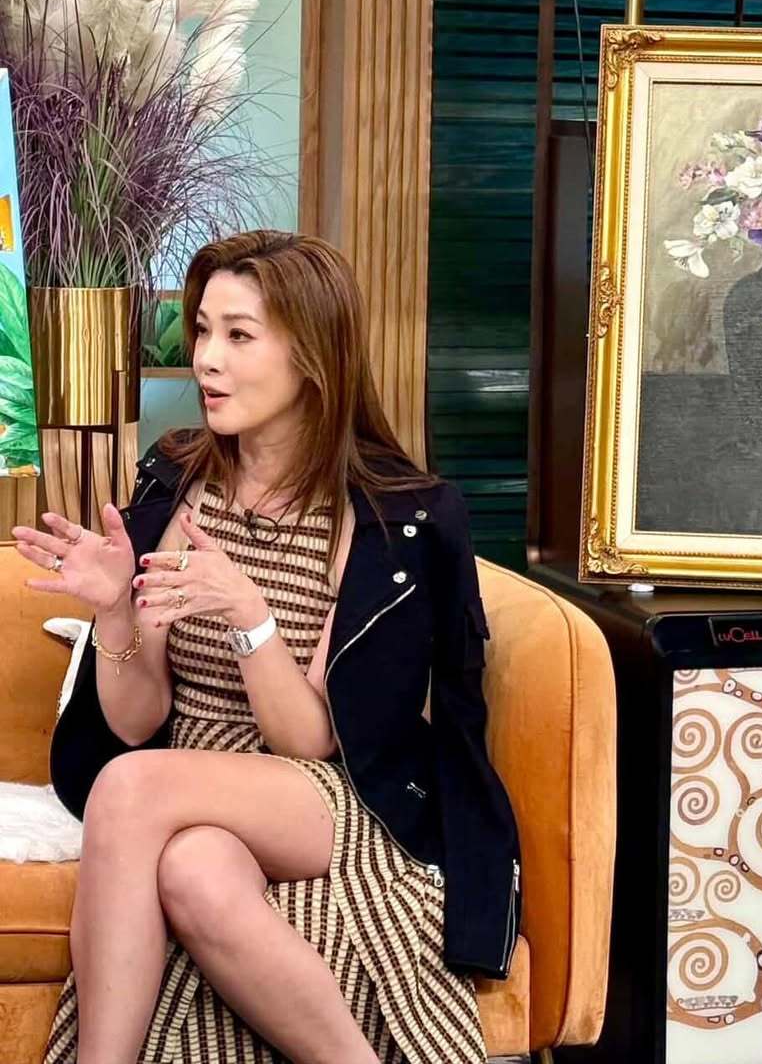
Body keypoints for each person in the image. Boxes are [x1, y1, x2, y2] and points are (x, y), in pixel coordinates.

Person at [14, 230, 520, 1064]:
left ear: (312, 356)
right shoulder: (177, 479)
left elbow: (308, 739)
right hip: (186, 781)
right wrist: (115, 612)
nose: (207, 358)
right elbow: (136, 722)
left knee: (131, 788)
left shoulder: (394, 516)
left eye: (239, 335)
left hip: (326, 795)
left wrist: (248, 612)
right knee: (194, 866)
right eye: (202, 330)